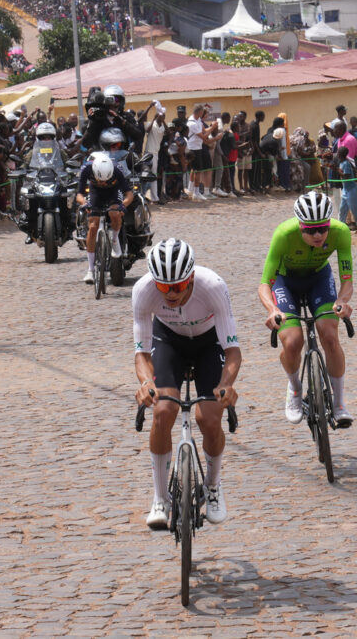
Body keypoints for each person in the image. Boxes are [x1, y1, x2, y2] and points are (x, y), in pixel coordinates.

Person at [132, 239, 241, 529]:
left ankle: (214, 486)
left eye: (177, 287)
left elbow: (232, 351)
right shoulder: (143, 291)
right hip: (168, 341)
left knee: (208, 417)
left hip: (209, 343)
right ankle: (160, 498)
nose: (169, 294)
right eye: (163, 287)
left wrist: (227, 384)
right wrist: (145, 383)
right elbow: (141, 353)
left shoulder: (213, 286)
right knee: (163, 411)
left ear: (191, 278)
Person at [258, 191, 355, 428]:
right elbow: (264, 283)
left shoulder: (341, 232)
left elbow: (347, 280)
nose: (318, 235)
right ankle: (294, 388)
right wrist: (272, 310)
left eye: (323, 228)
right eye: (310, 230)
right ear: (300, 226)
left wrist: (342, 301)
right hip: (285, 281)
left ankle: (339, 403)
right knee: (292, 342)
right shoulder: (283, 234)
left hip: (318, 279)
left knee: (330, 336)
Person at [78, 152, 132, 284]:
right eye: (99, 180)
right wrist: (84, 204)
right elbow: (79, 194)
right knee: (93, 226)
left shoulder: (117, 169)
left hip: (114, 192)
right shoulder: (86, 168)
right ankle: (90, 270)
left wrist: (123, 206)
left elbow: (129, 194)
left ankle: (114, 240)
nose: (102, 183)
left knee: (114, 213)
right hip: (95, 193)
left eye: (105, 180)